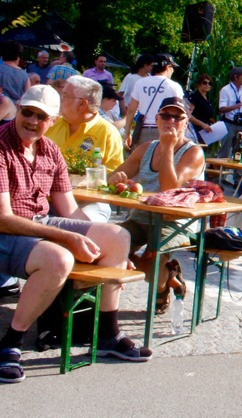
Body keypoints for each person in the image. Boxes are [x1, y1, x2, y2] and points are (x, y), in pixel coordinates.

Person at [0, 85, 152, 381]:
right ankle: (11, 343)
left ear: (53, 120)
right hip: (6, 230)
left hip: (35, 221)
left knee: (118, 237)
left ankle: (108, 334)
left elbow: (69, 210)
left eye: (40, 116)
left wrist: (113, 254)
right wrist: (68, 237)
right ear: (18, 110)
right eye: (26, 112)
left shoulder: (49, 150)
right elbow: (5, 219)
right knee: (58, 258)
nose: (31, 120)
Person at [110, 97, 205, 312]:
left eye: (177, 117)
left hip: (175, 222)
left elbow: (169, 187)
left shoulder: (193, 152)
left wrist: (168, 148)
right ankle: (167, 275)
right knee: (107, 245)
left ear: (186, 122)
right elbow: (114, 176)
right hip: (141, 217)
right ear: (157, 119)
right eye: (165, 115)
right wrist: (118, 180)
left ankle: (164, 278)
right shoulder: (145, 149)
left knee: (151, 268)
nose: (170, 121)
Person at [45, 76, 125, 221]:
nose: (60, 99)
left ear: (82, 103)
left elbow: (113, 176)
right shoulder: (52, 123)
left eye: (65, 96)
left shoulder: (107, 133)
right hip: (45, 199)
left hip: (87, 203)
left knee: (82, 227)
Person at [121, 54, 185, 147]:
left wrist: (127, 133)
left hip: (143, 130)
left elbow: (131, 110)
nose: (173, 70)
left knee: (142, 160)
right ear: (167, 67)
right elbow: (180, 112)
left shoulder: (140, 83)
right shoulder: (174, 86)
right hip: (165, 129)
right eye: (172, 67)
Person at [217, 66, 242, 161]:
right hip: (229, 123)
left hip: (240, 124)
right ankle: (221, 175)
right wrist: (235, 106)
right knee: (225, 152)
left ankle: (238, 175)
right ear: (236, 77)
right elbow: (222, 108)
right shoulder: (226, 90)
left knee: (240, 152)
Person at [186, 74, 216, 143]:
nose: (207, 85)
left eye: (210, 83)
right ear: (199, 84)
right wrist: (202, 124)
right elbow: (189, 115)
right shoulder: (195, 97)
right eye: (205, 83)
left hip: (205, 131)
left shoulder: (207, 98)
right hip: (195, 130)